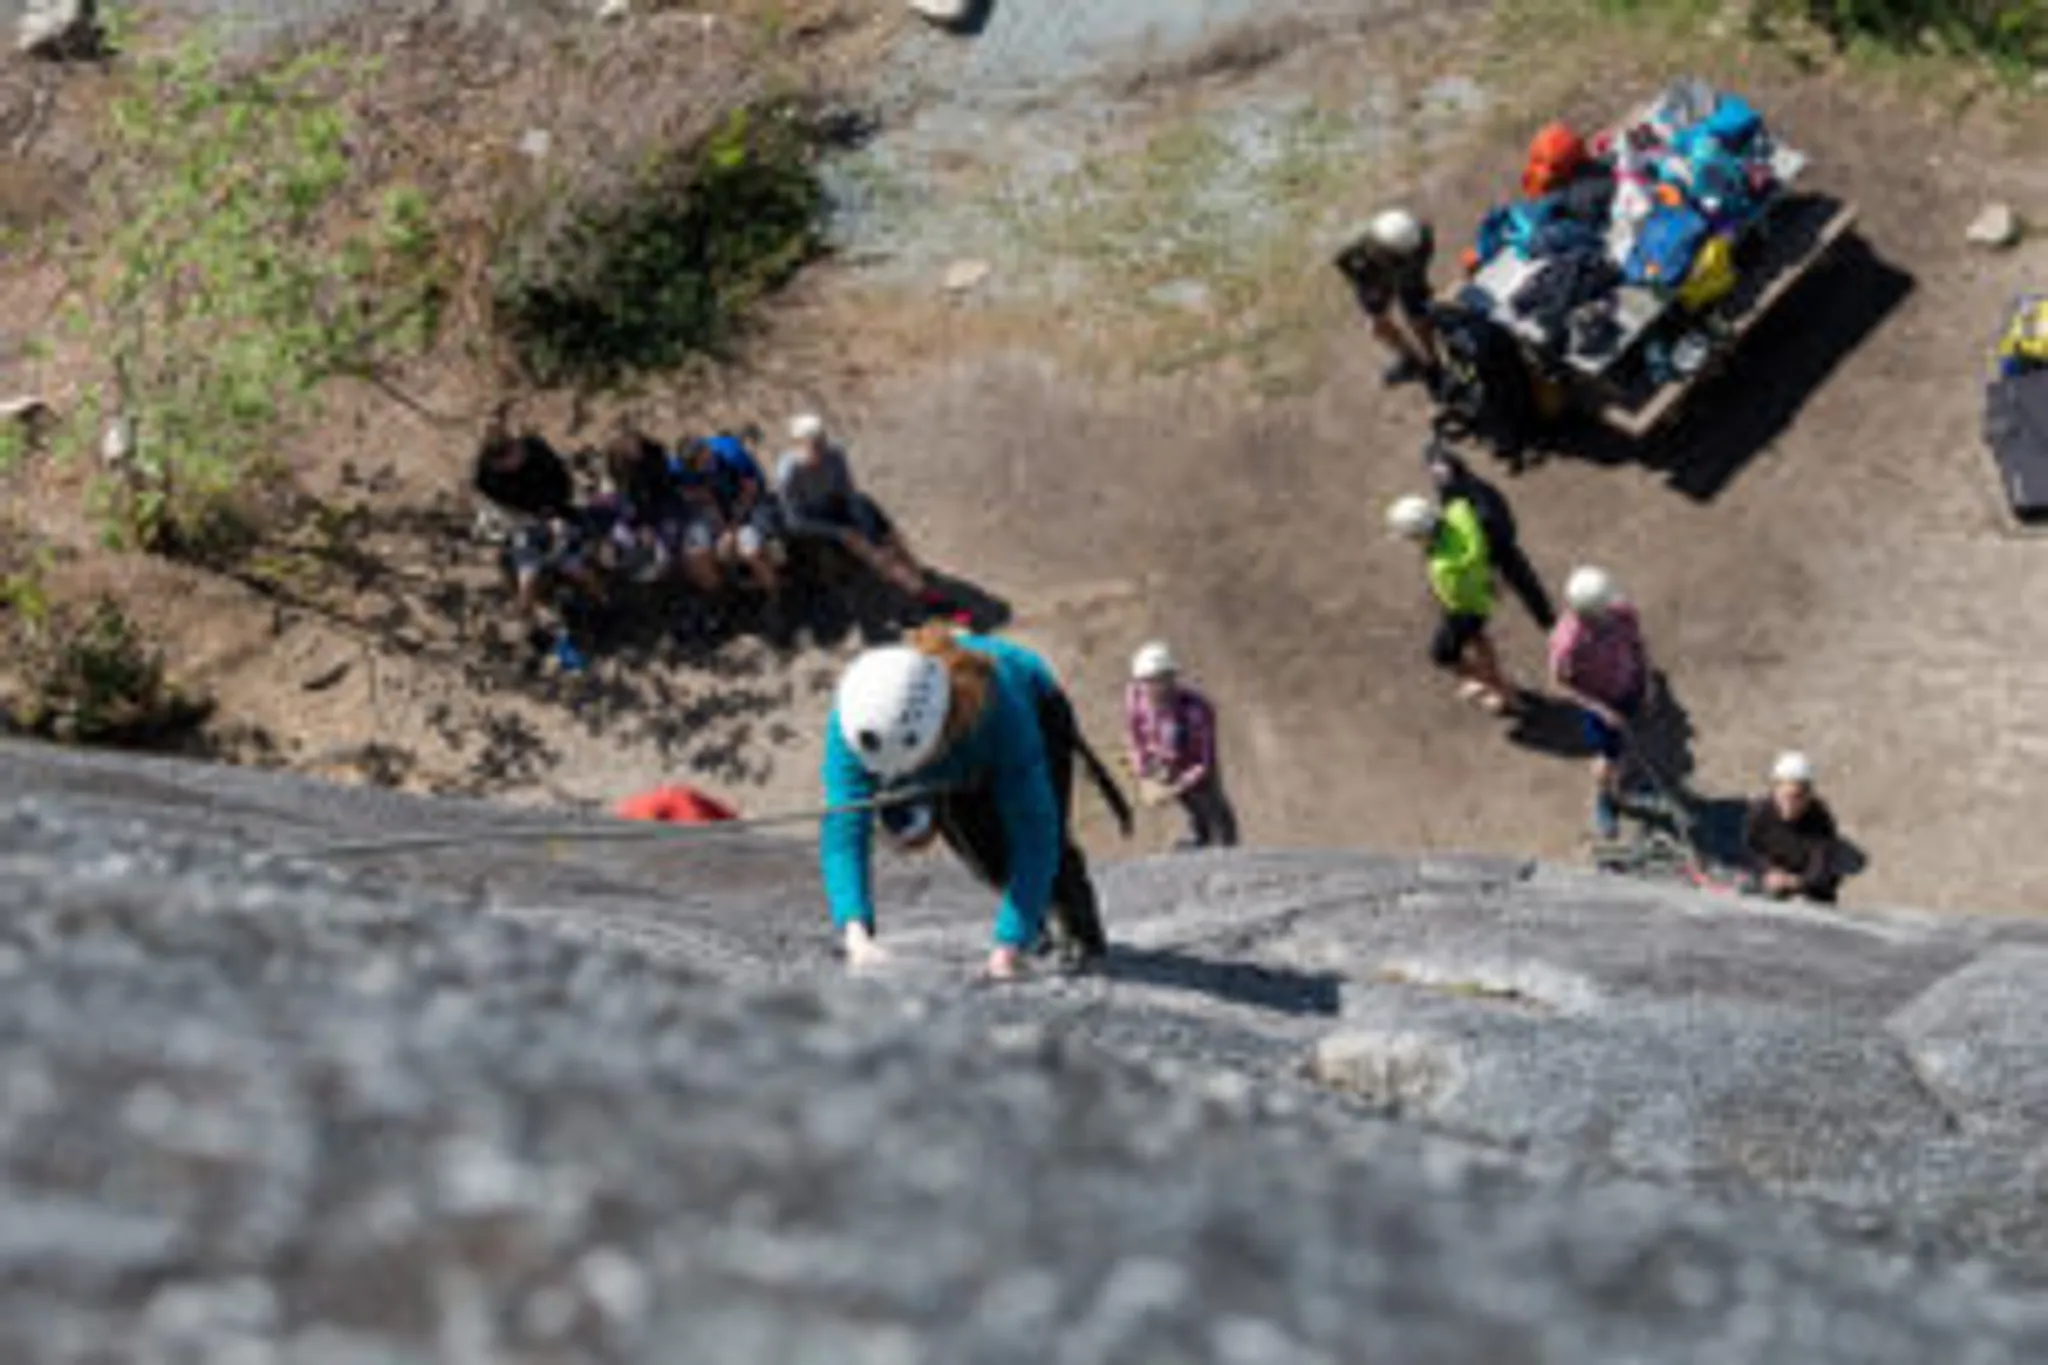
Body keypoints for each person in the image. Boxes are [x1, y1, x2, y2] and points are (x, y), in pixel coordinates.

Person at [819, 624, 1128, 980]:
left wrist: (1006, 949)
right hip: (941, 742)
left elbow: (1036, 832)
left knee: (1049, 846)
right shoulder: (855, 725)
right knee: (980, 850)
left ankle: (1082, 934)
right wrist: (856, 936)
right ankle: (1032, 923)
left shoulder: (1000, 713)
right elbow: (844, 830)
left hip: (1035, 705)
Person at [776, 412, 949, 613]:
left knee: (885, 532)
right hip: (815, 520)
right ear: (797, 445)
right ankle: (917, 590)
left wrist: (863, 522)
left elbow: (848, 491)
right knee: (866, 546)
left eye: (821, 442)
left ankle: (915, 569)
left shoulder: (835, 455)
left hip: (837, 505)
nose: (819, 450)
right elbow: (795, 521)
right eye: (813, 445)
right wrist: (839, 532)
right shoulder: (789, 474)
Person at [1386, 493, 1520, 716]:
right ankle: (1497, 684)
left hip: (1466, 609)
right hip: (1481, 587)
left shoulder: (1445, 568)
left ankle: (1497, 687)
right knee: (1478, 639)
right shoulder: (1460, 515)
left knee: (1443, 653)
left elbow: (1456, 601)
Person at [1546, 565, 1652, 841]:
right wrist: (1601, 710)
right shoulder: (1567, 641)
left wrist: (1646, 680)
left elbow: (1638, 644)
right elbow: (1559, 683)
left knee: (1624, 745)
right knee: (1606, 760)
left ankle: (1623, 782)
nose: (1611, 608)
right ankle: (1606, 800)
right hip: (1601, 704)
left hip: (1629, 686)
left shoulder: (1622, 612)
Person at [1422, 434, 1555, 631]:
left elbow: (1491, 517)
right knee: (1519, 579)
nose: (1436, 474)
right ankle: (1543, 617)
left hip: (1496, 540)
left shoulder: (1465, 488)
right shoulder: (1457, 483)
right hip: (1487, 536)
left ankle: (1546, 619)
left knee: (1520, 579)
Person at [1124, 641, 1239, 850]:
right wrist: (1142, 767)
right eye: (1147, 682)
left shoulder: (1196, 711)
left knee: (1209, 799)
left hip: (1193, 763)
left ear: (1172, 679)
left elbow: (1204, 762)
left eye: (1161, 680)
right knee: (1189, 803)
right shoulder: (1135, 698)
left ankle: (1226, 842)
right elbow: (1135, 733)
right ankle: (1202, 836)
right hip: (1163, 756)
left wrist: (1177, 786)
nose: (1153, 688)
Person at [1334, 208, 1445, 390]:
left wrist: (1411, 281)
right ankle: (1411, 360)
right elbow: (1345, 266)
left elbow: (1420, 268)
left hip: (1407, 273)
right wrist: (1372, 289)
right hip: (1373, 276)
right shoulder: (1355, 254)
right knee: (1378, 325)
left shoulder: (1421, 239)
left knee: (1417, 313)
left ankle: (1434, 362)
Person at [670, 431, 785, 601]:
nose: (700, 468)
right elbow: (697, 493)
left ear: (707, 451)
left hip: (748, 504)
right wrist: (720, 525)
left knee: (750, 550)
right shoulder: (681, 466)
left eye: (702, 462)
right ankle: (720, 599)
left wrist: (733, 527)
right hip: (716, 508)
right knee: (697, 553)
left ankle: (775, 595)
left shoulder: (731, 454)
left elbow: (750, 490)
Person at [1744, 750, 1843, 903]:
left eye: (1796, 798)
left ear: (1808, 795)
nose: (1789, 806)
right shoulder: (1760, 814)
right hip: (1767, 887)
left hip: (1810, 895)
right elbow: (1750, 851)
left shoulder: (1820, 821)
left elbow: (1823, 867)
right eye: (1784, 797)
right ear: (1775, 790)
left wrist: (1796, 882)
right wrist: (1768, 872)